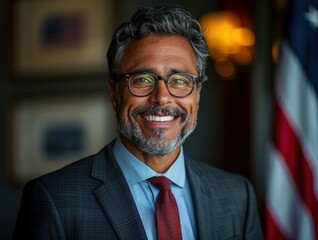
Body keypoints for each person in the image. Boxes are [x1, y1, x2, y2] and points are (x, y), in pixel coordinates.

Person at [13, 6, 263, 240]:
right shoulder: (53, 199)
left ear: (197, 95)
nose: (162, 97)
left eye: (179, 80)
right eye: (143, 79)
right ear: (115, 93)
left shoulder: (238, 196)